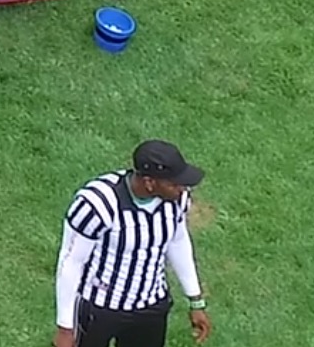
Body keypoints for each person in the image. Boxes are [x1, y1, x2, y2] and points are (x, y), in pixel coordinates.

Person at [55, 141, 212, 347]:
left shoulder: (177, 200)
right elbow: (71, 262)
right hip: (98, 308)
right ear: (149, 182)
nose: (183, 189)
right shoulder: (97, 204)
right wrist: (65, 327)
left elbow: (178, 241)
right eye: (174, 184)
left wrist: (195, 300)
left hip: (150, 306)